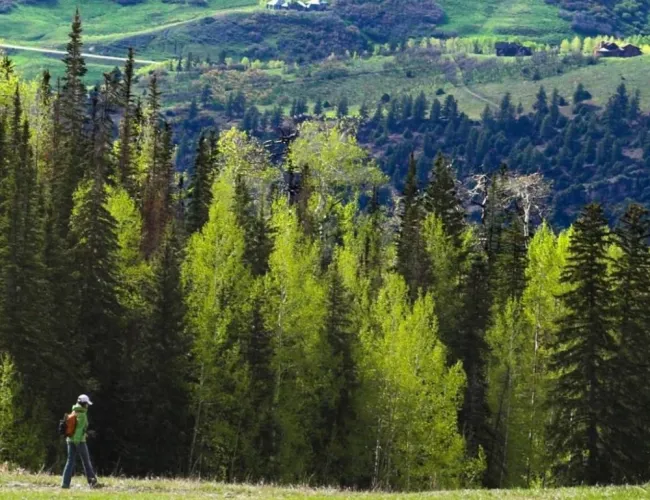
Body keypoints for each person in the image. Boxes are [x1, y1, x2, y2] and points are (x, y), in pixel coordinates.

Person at [61, 394, 99, 489]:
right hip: (79, 442)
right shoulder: (82, 415)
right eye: (87, 404)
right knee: (86, 461)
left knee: (70, 461)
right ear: (83, 403)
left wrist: (84, 433)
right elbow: (78, 431)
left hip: (69, 440)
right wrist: (79, 440)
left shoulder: (74, 411)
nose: (87, 405)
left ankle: (65, 484)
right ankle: (92, 482)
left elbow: (76, 428)